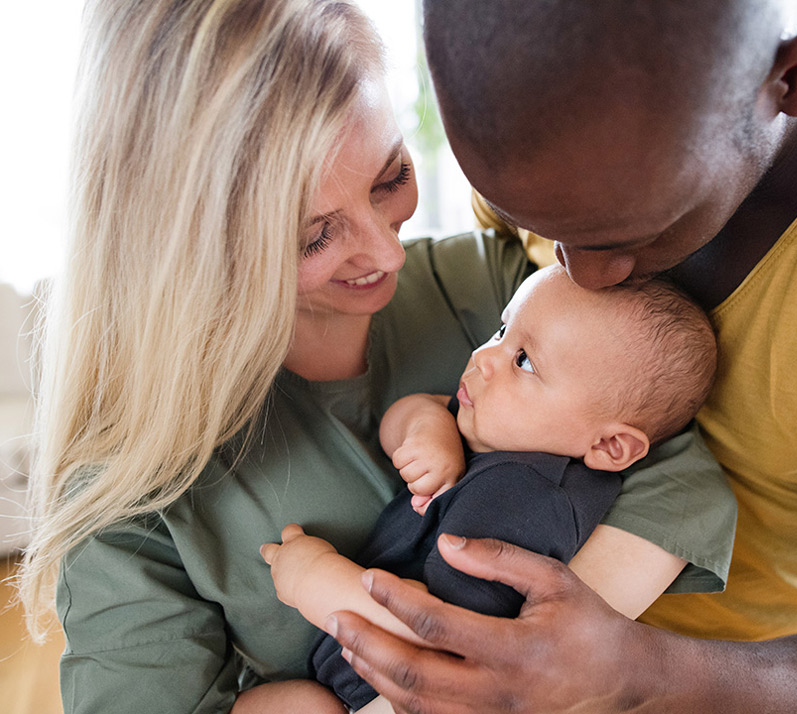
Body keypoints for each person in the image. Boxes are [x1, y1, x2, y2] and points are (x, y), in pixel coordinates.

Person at [15, 2, 736, 713]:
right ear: (189, 242)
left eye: (391, 177)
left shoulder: (494, 290)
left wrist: (534, 670)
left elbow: (676, 473)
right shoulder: (131, 481)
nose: (388, 252)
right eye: (314, 237)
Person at [326, 1, 797, 712]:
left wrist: (637, 669)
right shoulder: (533, 117)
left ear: (794, 77)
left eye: (628, 234)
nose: (579, 275)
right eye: (541, 227)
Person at [259, 263, 719, 713]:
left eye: (524, 362)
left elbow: (444, 635)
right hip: (348, 681)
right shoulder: (500, 431)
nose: (484, 357)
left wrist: (316, 580)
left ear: (610, 445)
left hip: (393, 692)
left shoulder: (525, 494)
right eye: (502, 332)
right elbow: (406, 413)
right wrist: (427, 427)